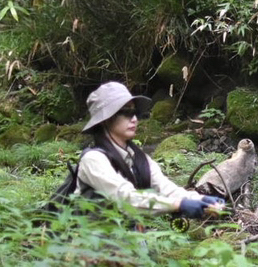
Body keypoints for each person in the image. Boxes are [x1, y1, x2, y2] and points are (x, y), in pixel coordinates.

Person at [74, 81, 227, 218]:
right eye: (126, 112)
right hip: (92, 247)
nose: (134, 119)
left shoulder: (139, 159)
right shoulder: (93, 160)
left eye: (135, 113)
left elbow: (166, 189)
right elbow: (126, 199)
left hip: (130, 244)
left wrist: (199, 200)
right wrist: (178, 205)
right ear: (106, 119)